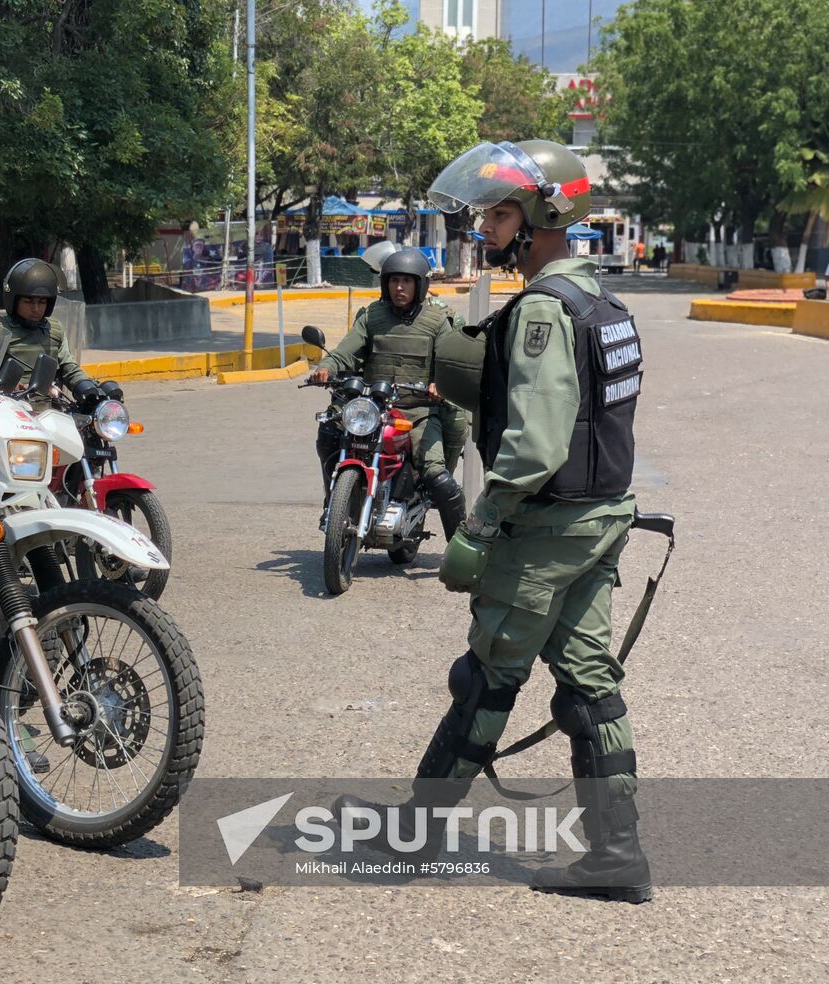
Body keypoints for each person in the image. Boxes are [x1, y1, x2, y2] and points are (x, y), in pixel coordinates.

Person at [345, 139, 649, 903]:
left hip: (545, 534)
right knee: (587, 687)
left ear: (543, 214)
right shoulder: (603, 304)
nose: (486, 228)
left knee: (485, 678)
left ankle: (417, 837)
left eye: (501, 213)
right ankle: (618, 854)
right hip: (600, 521)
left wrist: (479, 528)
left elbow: (537, 444)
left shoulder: (547, 309)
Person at [306, 247, 468, 538]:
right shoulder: (372, 317)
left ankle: (462, 548)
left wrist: (439, 383)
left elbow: (450, 361)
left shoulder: (436, 321)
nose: (399, 287)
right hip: (375, 409)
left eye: (407, 281)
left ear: (420, 285)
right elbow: (344, 353)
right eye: (394, 281)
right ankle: (333, 503)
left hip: (418, 413)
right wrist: (326, 368)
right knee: (329, 436)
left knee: (437, 476)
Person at [0, 257, 91, 401]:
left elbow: (68, 367)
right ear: (13, 300)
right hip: (7, 406)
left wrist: (88, 387)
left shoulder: (55, 330)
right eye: (28, 301)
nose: (36, 308)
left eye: (42, 302)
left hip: (49, 406)